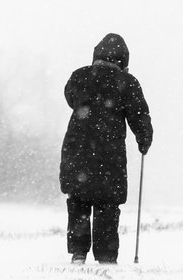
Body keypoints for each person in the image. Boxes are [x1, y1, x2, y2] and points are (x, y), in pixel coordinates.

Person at [59, 33, 153, 264]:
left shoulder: (79, 76)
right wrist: (144, 139)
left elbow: (71, 99)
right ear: (124, 59)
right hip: (108, 154)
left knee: (78, 201)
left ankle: (78, 254)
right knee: (107, 205)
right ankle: (106, 257)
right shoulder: (127, 83)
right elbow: (139, 116)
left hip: (77, 150)